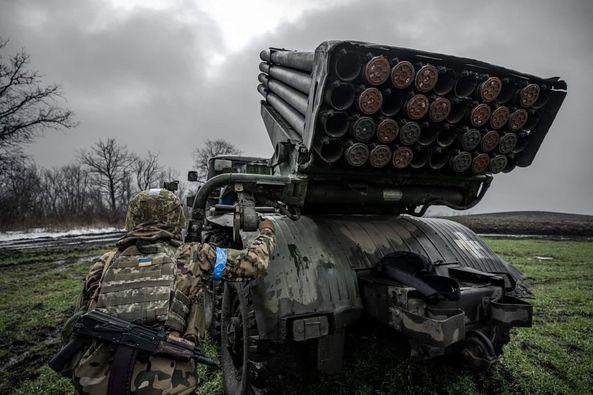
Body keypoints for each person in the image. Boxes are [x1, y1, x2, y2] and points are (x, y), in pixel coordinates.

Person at [63, 188, 276, 394]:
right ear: (175, 219)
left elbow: (76, 325)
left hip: (95, 383)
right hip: (168, 385)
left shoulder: (104, 263)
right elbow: (255, 263)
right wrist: (267, 230)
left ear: (133, 219)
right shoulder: (195, 256)